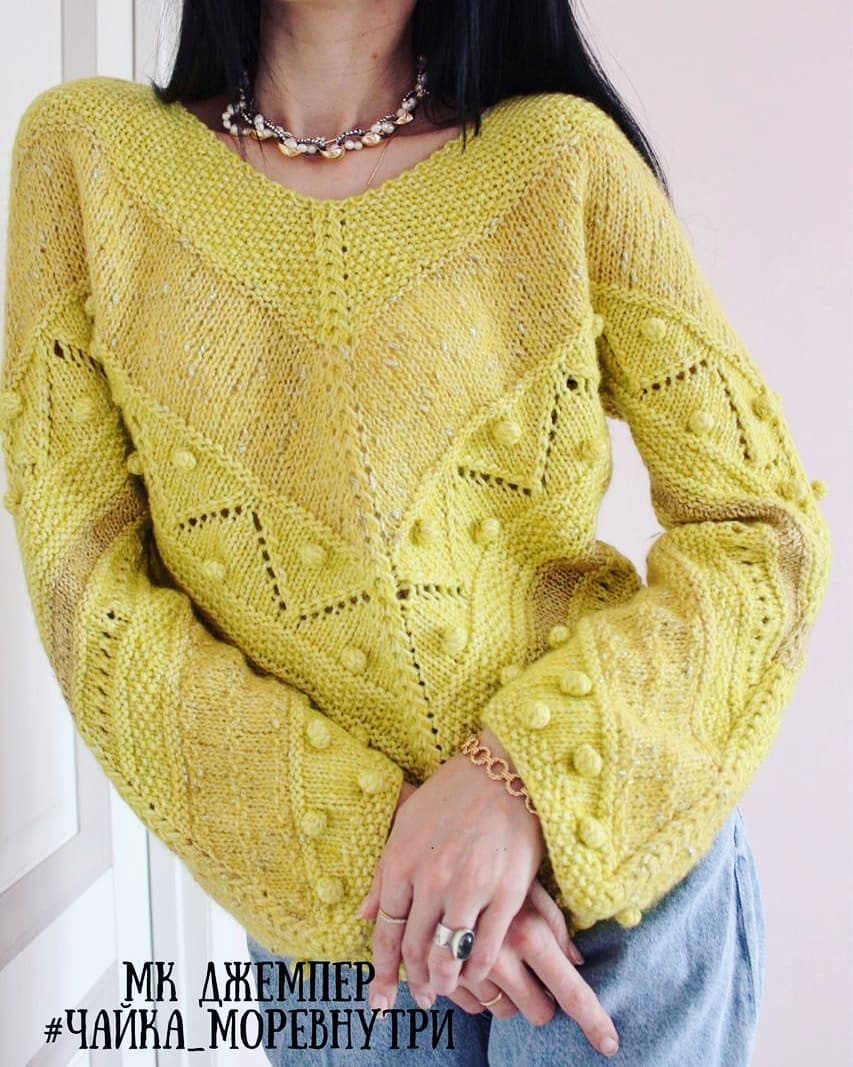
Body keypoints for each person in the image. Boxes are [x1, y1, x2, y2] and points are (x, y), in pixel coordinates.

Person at [0, 0, 831, 1064]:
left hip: (610, 874)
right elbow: (86, 585)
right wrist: (382, 842)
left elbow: (760, 529)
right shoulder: (86, 158)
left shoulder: (563, 159)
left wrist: (518, 780)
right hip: (340, 932)